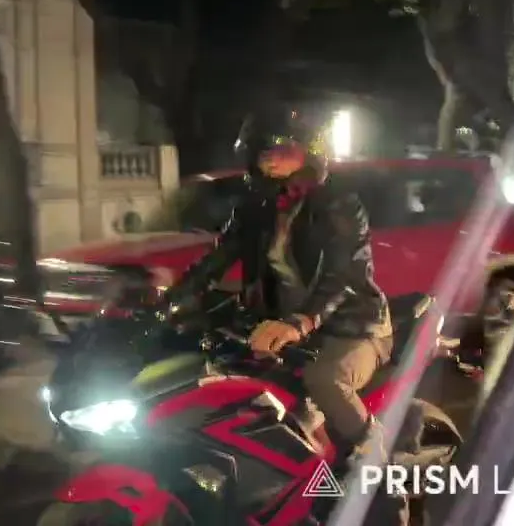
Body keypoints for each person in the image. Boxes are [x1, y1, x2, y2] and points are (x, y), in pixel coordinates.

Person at [168, 107, 394, 475]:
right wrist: (171, 300)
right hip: (282, 326)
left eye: (282, 149)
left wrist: (301, 321)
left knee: (324, 380)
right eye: (263, 152)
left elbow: (343, 276)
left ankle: (381, 467)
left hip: (350, 325)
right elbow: (216, 260)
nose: (271, 160)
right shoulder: (255, 209)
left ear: (308, 152)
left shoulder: (339, 204)